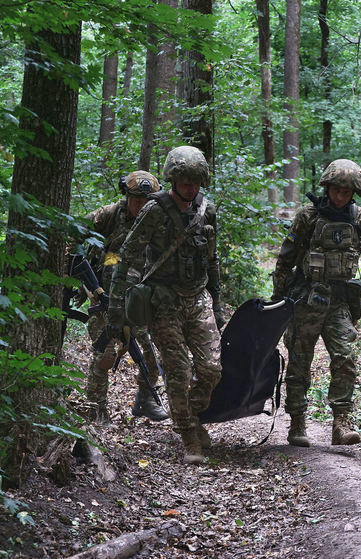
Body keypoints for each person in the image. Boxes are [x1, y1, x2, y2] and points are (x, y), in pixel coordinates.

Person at [107, 146, 225, 464]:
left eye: (196, 181)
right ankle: (189, 437)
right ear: (173, 179)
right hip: (163, 300)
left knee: (211, 369)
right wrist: (116, 309)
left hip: (198, 297)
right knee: (177, 370)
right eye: (185, 181)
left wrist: (217, 303)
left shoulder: (206, 211)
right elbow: (127, 257)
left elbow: (212, 260)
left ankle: (191, 412)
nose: (191, 187)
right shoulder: (154, 211)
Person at [272, 159, 361, 447]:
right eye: (336, 190)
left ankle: (341, 422)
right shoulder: (307, 217)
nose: (340, 196)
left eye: (346, 191)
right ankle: (297, 422)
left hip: (339, 300)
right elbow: (286, 258)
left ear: (353, 192)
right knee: (300, 362)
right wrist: (277, 301)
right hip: (306, 299)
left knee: (345, 359)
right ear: (327, 187)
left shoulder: (359, 217)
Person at [81, 171, 169, 424]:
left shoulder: (159, 221)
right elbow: (75, 231)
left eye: (146, 202)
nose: (141, 206)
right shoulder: (108, 215)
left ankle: (145, 400)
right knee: (104, 355)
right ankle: (96, 409)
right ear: (126, 197)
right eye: (136, 201)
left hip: (142, 300)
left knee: (153, 356)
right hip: (104, 298)